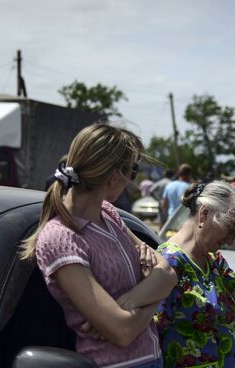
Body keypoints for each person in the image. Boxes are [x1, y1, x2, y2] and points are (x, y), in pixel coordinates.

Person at [20, 123, 177, 368]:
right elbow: (122, 332)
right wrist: (154, 301)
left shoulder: (109, 213)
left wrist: (126, 304)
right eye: (132, 172)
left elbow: (168, 274)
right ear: (114, 177)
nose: (131, 181)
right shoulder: (60, 238)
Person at [155, 181, 235, 367]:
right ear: (204, 214)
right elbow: (152, 338)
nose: (230, 241)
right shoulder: (168, 263)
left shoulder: (214, 261)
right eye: (229, 229)